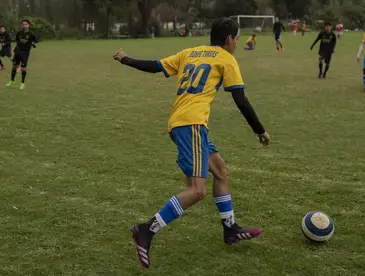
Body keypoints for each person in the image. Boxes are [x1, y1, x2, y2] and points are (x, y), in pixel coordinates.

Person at [113, 18, 270, 269]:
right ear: (229, 40)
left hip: (184, 123)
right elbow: (241, 100)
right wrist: (260, 131)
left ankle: (230, 229)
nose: (237, 44)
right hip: (192, 125)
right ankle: (146, 229)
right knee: (197, 190)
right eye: (237, 39)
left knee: (221, 171)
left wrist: (125, 58)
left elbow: (155, 66)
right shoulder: (226, 59)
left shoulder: (191, 52)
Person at [7, 19, 38, 90]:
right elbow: (17, 42)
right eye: (23, 24)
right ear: (21, 25)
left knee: (23, 68)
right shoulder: (19, 33)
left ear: (29, 25)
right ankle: (12, 80)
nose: (24, 26)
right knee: (14, 66)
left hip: (25, 52)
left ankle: (22, 83)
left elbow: (36, 41)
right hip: (18, 51)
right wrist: (14, 51)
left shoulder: (31, 34)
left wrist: (33, 43)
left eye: (26, 24)